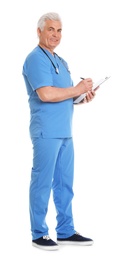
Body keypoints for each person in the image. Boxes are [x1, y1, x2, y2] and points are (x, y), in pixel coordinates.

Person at [22, 12, 97, 251]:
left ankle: (65, 230)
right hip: (46, 132)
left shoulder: (61, 61)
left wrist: (81, 97)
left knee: (65, 184)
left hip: (65, 131)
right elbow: (45, 94)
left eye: (59, 30)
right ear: (39, 32)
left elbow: (64, 95)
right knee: (42, 182)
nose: (55, 35)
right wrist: (75, 89)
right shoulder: (35, 59)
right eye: (51, 29)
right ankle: (39, 233)